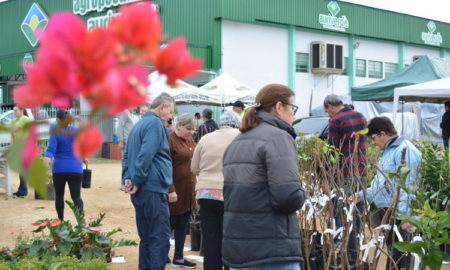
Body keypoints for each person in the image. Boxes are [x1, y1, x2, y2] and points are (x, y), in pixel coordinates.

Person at [222, 84, 306, 270]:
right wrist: (303, 192)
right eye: (293, 108)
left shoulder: (237, 141)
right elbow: (287, 197)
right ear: (278, 107)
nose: (293, 114)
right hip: (271, 249)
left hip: (238, 247)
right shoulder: (278, 138)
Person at [350, 116, 421, 269]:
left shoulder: (405, 150)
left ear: (383, 134)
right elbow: (380, 183)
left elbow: (409, 186)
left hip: (399, 213)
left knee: (401, 257)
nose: (373, 143)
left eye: (374, 138)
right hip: (388, 210)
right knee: (392, 254)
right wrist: (361, 195)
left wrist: (404, 217)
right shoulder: (389, 151)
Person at [122, 92, 175, 270]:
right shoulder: (154, 123)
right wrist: (135, 180)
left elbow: (127, 154)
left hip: (142, 188)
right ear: (162, 108)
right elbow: (146, 154)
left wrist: (128, 179)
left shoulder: (139, 124)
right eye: (170, 112)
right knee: (159, 238)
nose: (170, 116)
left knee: (147, 238)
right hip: (152, 188)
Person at [191, 110, 240, 270]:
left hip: (206, 193)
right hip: (231, 194)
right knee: (231, 238)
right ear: (237, 123)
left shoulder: (205, 138)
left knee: (211, 239)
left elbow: (194, 167)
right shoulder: (241, 137)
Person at [323, 95, 367, 266]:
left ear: (330, 106)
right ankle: (357, 250)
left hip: (344, 173)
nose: (328, 114)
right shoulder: (360, 116)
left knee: (343, 211)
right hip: (361, 171)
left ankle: (349, 252)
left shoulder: (335, 120)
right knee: (358, 210)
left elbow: (333, 150)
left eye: (327, 110)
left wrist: (326, 177)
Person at [43, 110, 86, 220]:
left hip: (59, 169)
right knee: (76, 197)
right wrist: (84, 158)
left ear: (57, 120)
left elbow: (50, 151)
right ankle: (81, 224)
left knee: (59, 196)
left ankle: (60, 221)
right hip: (75, 168)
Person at [167, 114, 197, 268]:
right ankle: (162, 254)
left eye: (193, 129)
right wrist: (170, 189)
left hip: (188, 192)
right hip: (174, 192)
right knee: (169, 225)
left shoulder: (190, 141)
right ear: (179, 125)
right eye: (188, 128)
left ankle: (178, 257)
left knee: (182, 226)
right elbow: (165, 168)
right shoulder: (170, 141)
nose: (191, 132)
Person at [12, 106, 31, 197]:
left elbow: (14, 129)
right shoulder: (15, 120)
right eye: (13, 111)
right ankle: (22, 189)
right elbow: (12, 134)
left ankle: (23, 190)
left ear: (22, 110)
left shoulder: (24, 119)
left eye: (15, 111)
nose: (14, 112)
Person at [118, 107, 137, 190]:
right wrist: (121, 141)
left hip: (130, 142)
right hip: (126, 142)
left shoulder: (131, 114)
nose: (136, 107)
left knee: (129, 163)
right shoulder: (125, 112)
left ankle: (128, 182)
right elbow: (119, 126)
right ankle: (123, 183)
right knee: (125, 163)